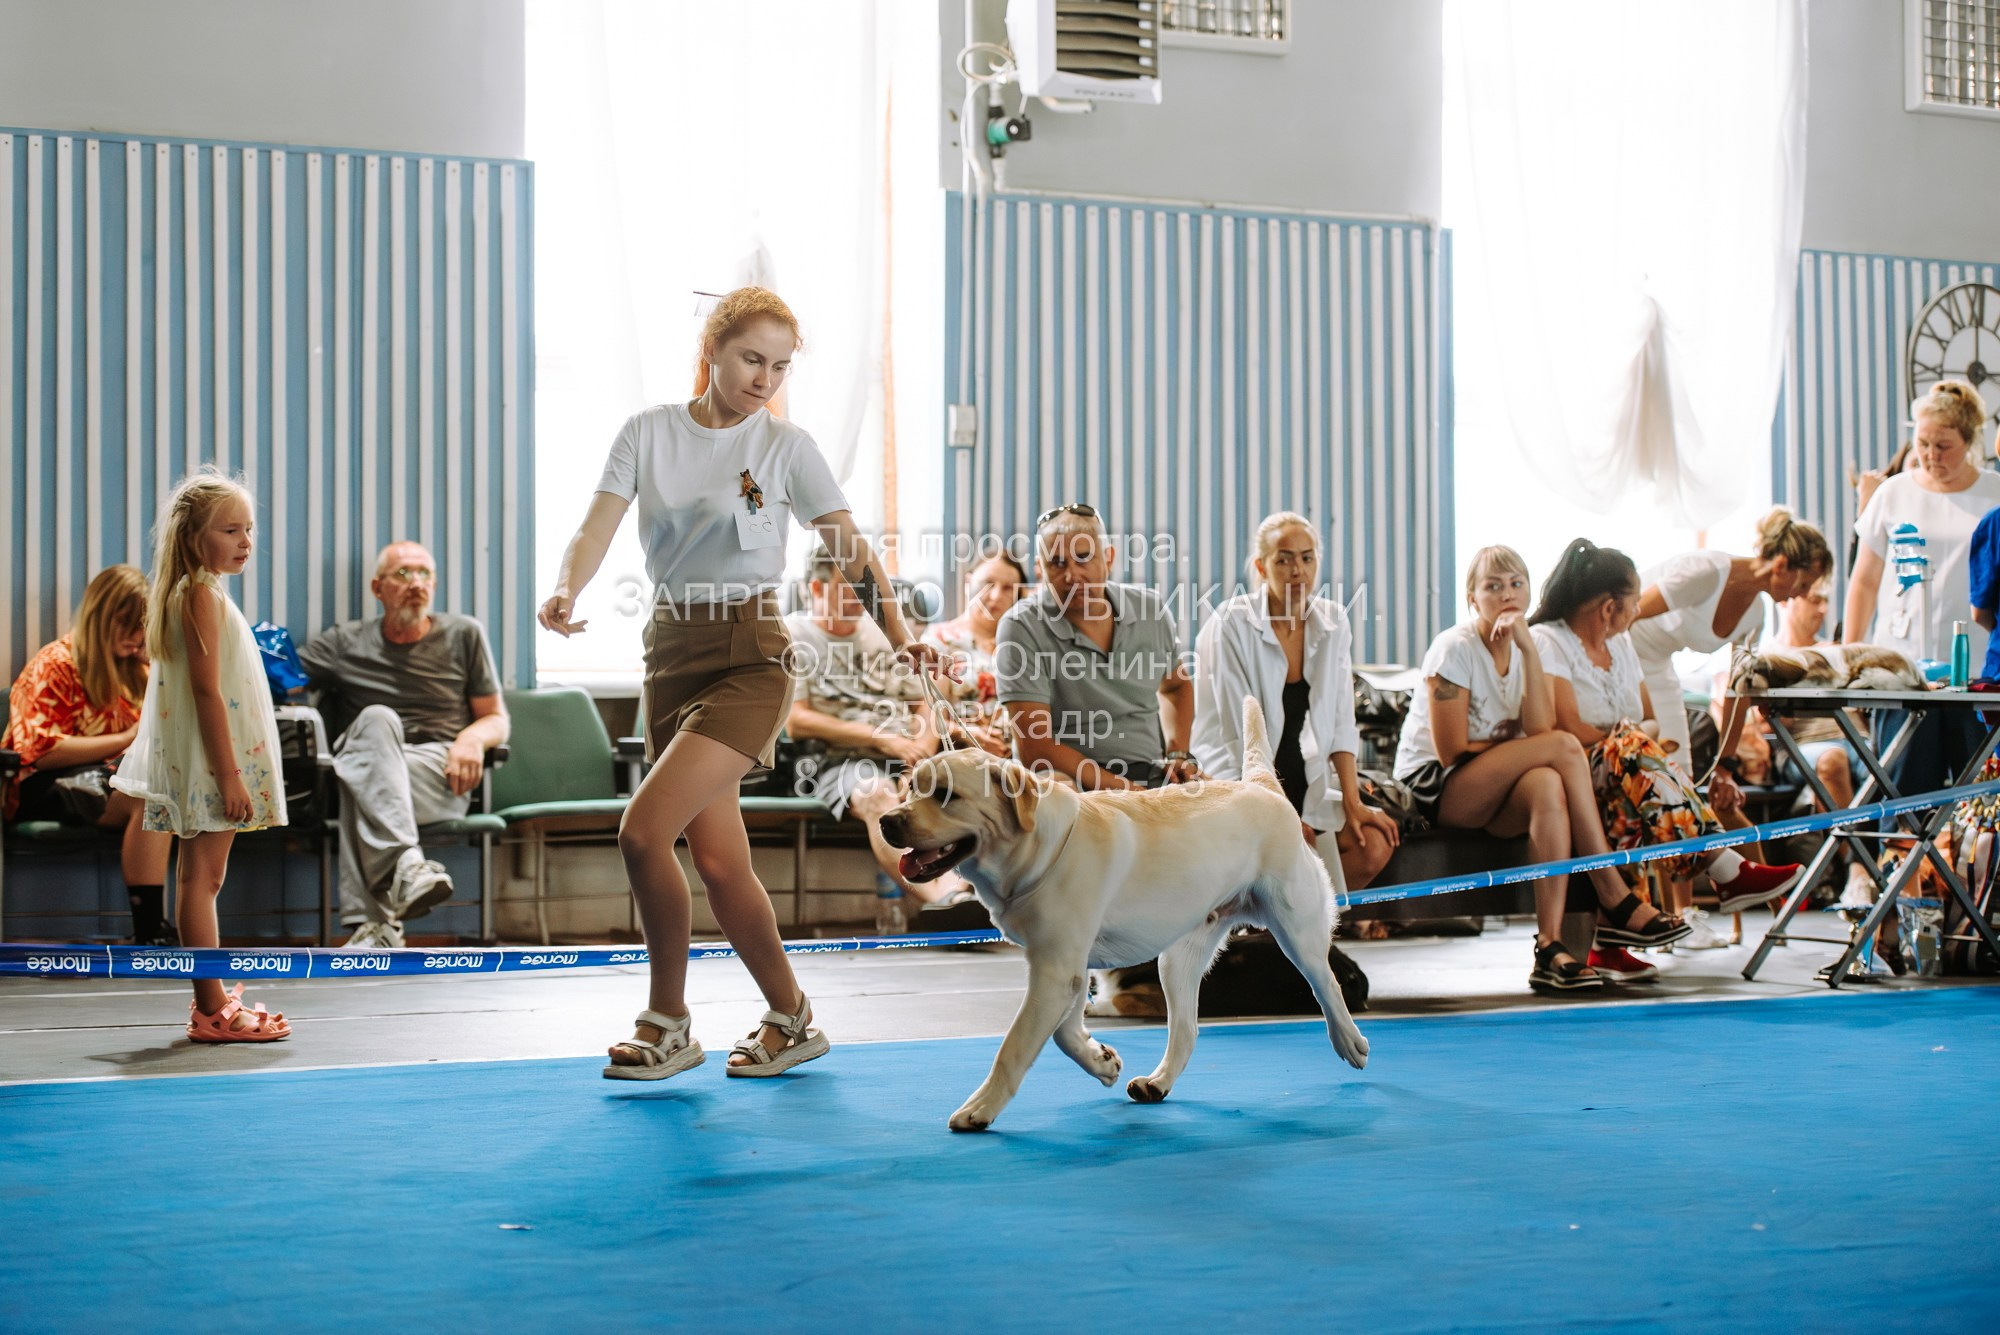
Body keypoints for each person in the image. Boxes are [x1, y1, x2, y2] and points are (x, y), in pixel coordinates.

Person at [540, 286, 945, 1083]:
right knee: (721, 861)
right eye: (752, 359)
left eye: (780, 366)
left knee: (642, 831)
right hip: (668, 651)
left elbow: (851, 547)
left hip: (754, 652)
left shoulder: (789, 448)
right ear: (713, 354)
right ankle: (791, 1018)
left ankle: (666, 1022)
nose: (766, 378)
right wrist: (568, 586)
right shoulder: (648, 432)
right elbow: (599, 523)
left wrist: (901, 633)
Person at [1392, 546, 1690, 995]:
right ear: (1472, 598)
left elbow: (1535, 729)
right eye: (1493, 586)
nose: (1507, 595)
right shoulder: (1454, 648)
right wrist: (1514, 745)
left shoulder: (1530, 644)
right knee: (1564, 748)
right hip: (1438, 787)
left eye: (1516, 584)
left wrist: (1529, 652)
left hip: (1498, 781)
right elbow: (1451, 751)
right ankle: (1612, 890)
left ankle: (1549, 948)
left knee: (1549, 783)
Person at [1528, 539, 1801, 964]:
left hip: (1616, 767)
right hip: (1572, 769)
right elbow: (1565, 727)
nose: (1639, 611)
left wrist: (1630, 736)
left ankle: (1608, 942)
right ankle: (1722, 864)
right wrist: (1626, 736)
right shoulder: (1550, 641)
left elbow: (1650, 717)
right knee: (1632, 749)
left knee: (1635, 769)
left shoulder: (1621, 647)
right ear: (1607, 608)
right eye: (1634, 602)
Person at [110, 471, 290, 1041]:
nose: (245, 541)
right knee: (202, 883)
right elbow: (207, 692)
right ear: (193, 537)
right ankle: (213, 1010)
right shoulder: (200, 596)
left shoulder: (196, 590)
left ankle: (210, 1001)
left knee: (198, 880)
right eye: (230, 529)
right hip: (217, 763)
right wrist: (230, 777)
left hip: (212, 760)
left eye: (249, 529)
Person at [997, 503, 1196, 1016]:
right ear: (1041, 570)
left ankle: (1179, 956)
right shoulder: (1022, 627)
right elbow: (1034, 745)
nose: (1072, 573)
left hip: (1147, 770)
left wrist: (1179, 753)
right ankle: (1081, 963)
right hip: (1068, 775)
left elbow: (1176, 687)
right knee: (1070, 797)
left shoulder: (1150, 612)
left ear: (1108, 558)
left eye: (1083, 558)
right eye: (1056, 563)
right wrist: (1113, 786)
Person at [1845, 380, 2000, 951]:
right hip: (1903, 666)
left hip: (1979, 671)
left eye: (1945, 446)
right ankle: (1889, 929)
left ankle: (1970, 930)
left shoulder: (1995, 493)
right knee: (1902, 798)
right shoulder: (1892, 493)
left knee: (1974, 803)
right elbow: (1864, 581)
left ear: (1970, 441)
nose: (1931, 456)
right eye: (1924, 443)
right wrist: (1851, 655)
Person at [299, 541, 510, 949]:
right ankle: (409, 869)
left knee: (355, 783)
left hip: (439, 769)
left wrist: (471, 739)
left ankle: (377, 925)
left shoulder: (463, 633)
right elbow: (276, 675)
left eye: (424, 573)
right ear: (378, 589)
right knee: (377, 720)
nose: (416, 583)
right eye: (402, 574)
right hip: (370, 760)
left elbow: (496, 718)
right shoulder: (346, 642)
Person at [1191, 511, 1400, 893]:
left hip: (1302, 771)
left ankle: (1305, 928)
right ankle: (1267, 936)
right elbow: (1242, 738)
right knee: (1283, 851)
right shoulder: (1231, 624)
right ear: (1261, 566)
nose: (1297, 570)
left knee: (1372, 841)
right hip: (1240, 776)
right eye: (1283, 559)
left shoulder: (1332, 621)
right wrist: (1281, 817)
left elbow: (1340, 720)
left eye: (1307, 558)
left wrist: (1354, 803)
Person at [4, 566, 176, 945]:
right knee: (149, 798)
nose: (136, 637)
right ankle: (150, 931)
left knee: (164, 791)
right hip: (41, 784)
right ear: (104, 617)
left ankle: (164, 929)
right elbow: (42, 751)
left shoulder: (137, 670)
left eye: (142, 627)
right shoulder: (56, 664)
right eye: (129, 625)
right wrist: (128, 736)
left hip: (107, 779)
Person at [785, 551, 968, 908]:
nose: (857, 598)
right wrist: (886, 741)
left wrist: (920, 754)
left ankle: (980, 894)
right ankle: (942, 898)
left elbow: (928, 698)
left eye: (862, 589)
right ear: (817, 588)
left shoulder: (883, 635)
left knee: (963, 791)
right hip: (835, 759)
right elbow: (798, 721)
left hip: (906, 750)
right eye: (847, 589)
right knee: (877, 795)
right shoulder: (795, 633)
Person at [1629, 508, 1831, 772]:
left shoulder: (1755, 616)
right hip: (1623, 650)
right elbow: (1627, 615)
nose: (1802, 595)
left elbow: (1738, 690)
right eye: (1804, 585)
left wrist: (1724, 764)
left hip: (1658, 665)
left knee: (1679, 771)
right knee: (1632, 762)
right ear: (1781, 566)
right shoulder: (1706, 572)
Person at [921, 549, 1029, 758]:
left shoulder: (1024, 645)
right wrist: (965, 734)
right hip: (963, 758)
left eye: (1008, 588)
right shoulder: (939, 641)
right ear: (969, 583)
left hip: (1022, 761)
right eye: (988, 583)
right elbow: (922, 718)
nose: (996, 596)